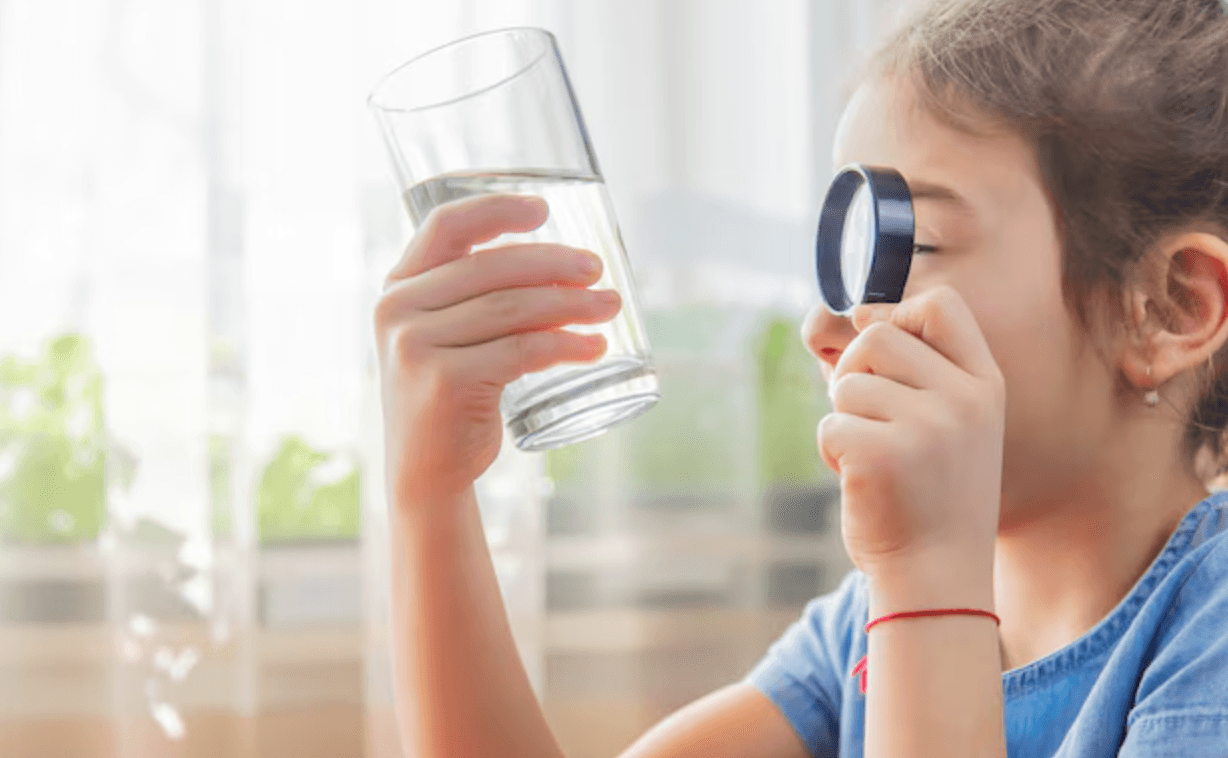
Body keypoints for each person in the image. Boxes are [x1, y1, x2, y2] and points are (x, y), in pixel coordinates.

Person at [371, 0, 1228, 755]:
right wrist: (430, 491)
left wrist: (927, 577)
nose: (824, 330)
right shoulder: (858, 630)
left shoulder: (1209, 629)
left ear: (1168, 308)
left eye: (911, 247)